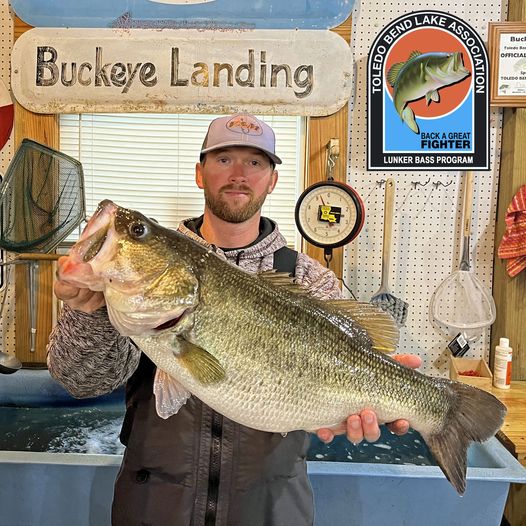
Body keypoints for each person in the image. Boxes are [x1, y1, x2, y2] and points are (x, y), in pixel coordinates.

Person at [48, 113, 421, 526]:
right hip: (155, 507)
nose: (239, 174)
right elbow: (81, 382)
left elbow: (359, 364)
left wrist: (382, 398)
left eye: (255, 162)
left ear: (272, 180)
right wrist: (90, 313)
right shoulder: (126, 285)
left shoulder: (311, 281)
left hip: (270, 511)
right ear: (200, 172)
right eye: (224, 159)